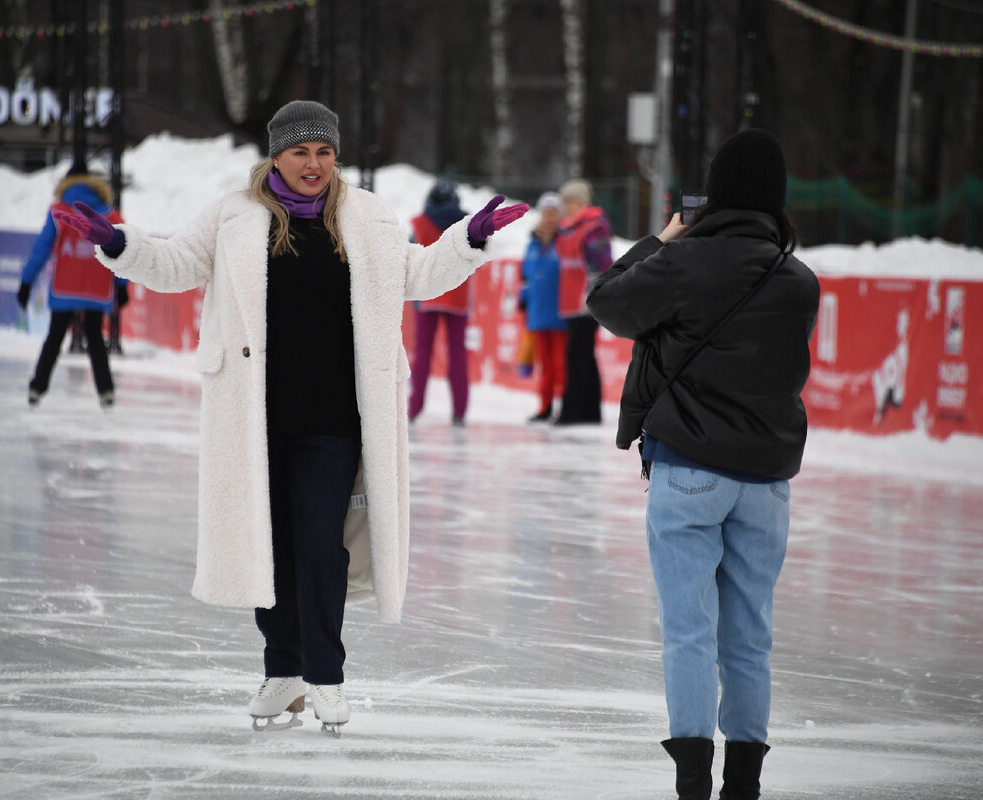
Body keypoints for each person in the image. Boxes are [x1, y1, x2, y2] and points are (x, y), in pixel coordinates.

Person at [53, 100, 528, 735]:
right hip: (257, 416)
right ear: (276, 154)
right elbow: (171, 266)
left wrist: (467, 238)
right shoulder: (234, 216)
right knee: (270, 548)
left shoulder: (366, 216)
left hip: (335, 418)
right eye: (301, 152)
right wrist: (116, 242)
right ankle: (283, 673)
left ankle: (326, 677)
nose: (314, 165)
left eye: (325, 152)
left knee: (320, 548)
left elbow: (414, 274)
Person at [586, 128, 820, 799]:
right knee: (749, 638)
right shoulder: (799, 282)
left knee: (690, 631)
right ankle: (743, 780)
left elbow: (607, 299)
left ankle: (693, 778)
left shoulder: (688, 262)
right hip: (766, 483)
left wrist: (663, 240)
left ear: (713, 196)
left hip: (690, 469)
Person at [17, 168, 128, 409]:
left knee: (55, 336)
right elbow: (121, 251)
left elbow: (41, 249)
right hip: (96, 286)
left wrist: (26, 281)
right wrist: (122, 285)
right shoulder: (111, 216)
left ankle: (37, 387)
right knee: (95, 337)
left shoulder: (60, 212)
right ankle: (106, 390)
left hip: (65, 285)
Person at [407, 179, 471, 426]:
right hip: (458, 293)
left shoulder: (421, 222)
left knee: (422, 353)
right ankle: (460, 411)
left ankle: (414, 408)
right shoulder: (465, 224)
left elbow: (413, 255)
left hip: (427, 292)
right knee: (458, 354)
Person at [554, 178, 612, 425]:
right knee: (583, 356)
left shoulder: (592, 228)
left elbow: (604, 263)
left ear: (581, 202)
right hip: (573, 301)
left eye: (569, 202)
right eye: (564, 202)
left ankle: (573, 412)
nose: (565, 207)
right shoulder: (569, 228)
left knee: (578, 355)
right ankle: (588, 412)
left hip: (586, 301)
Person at [519, 191, 567, 422]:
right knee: (545, 365)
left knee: (561, 365)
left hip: (561, 314)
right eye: (546, 214)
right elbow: (525, 275)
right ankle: (545, 406)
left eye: (553, 214)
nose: (549, 219)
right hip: (538, 313)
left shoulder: (565, 241)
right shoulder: (533, 243)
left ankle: (564, 407)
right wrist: (523, 298)